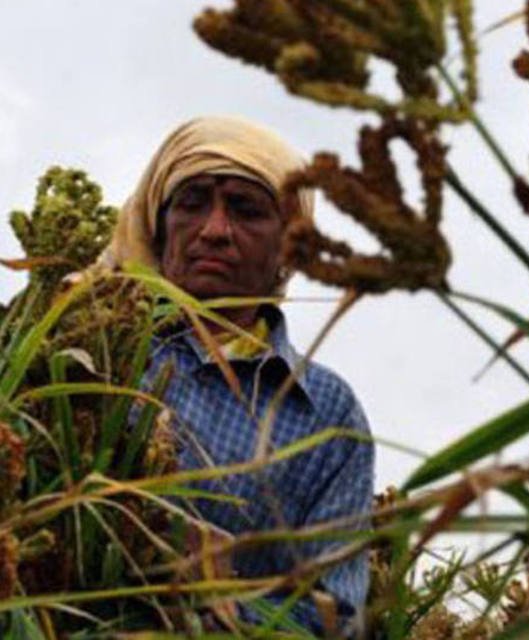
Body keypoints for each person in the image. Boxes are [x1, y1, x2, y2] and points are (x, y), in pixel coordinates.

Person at [99, 115, 373, 635]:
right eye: (193, 203)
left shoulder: (327, 414)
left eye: (245, 211)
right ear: (159, 224)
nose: (214, 230)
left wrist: (223, 598)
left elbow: (339, 619)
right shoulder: (92, 342)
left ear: (289, 248)